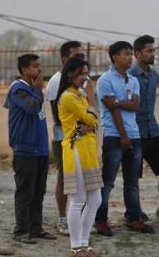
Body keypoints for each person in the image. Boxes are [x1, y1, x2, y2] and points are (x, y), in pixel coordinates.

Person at [94, 41, 154, 236]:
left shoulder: (133, 80)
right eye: (126, 54)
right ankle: (100, 219)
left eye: (130, 54)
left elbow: (135, 105)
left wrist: (119, 102)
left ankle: (133, 217)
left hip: (134, 135)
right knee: (108, 181)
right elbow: (112, 110)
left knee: (132, 180)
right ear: (114, 57)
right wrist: (123, 135)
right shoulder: (105, 80)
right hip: (114, 136)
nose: (130, 57)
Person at [5, 54, 57, 243]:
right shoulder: (18, 89)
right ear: (25, 70)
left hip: (40, 150)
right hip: (25, 149)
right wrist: (37, 90)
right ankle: (21, 231)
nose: (39, 71)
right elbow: (32, 108)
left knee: (38, 192)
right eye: (35, 67)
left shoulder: (33, 90)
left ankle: (36, 228)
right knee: (25, 192)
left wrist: (37, 91)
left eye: (39, 66)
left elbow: (40, 114)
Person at [57, 56, 102, 256]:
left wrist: (91, 122)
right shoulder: (68, 96)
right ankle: (76, 246)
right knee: (78, 199)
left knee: (96, 199)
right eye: (81, 74)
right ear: (70, 74)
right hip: (75, 150)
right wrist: (91, 97)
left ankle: (84, 242)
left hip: (89, 151)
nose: (85, 78)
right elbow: (90, 117)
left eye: (86, 73)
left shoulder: (80, 94)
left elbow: (95, 122)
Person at [128, 35, 159, 220]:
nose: (152, 54)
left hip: (153, 129)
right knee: (134, 174)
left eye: (153, 50)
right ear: (137, 53)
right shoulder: (130, 76)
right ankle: (136, 210)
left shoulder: (154, 75)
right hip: (135, 131)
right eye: (148, 51)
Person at [46, 40, 83, 236]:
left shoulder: (80, 80)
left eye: (82, 56)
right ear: (64, 58)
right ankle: (62, 219)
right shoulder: (56, 81)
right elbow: (56, 116)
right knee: (64, 178)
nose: (80, 60)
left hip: (82, 137)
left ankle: (78, 219)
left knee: (82, 178)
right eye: (76, 56)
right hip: (64, 138)